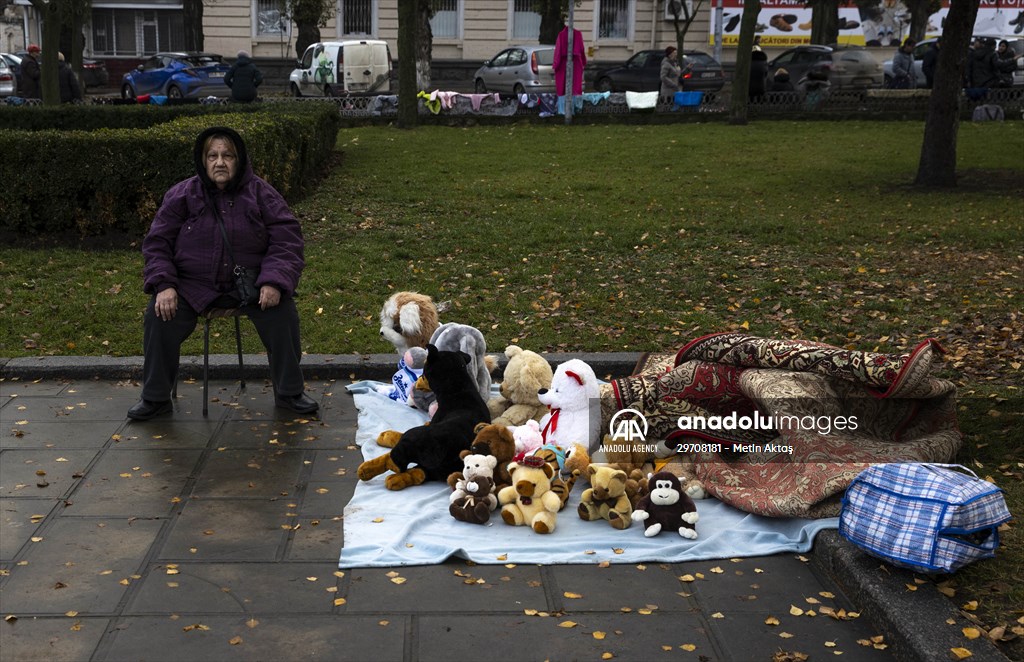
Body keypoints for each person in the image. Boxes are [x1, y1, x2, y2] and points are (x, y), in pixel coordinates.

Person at [128, 126, 318, 420]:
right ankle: (155, 398)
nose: (220, 162)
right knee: (159, 317)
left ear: (239, 159)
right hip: (193, 286)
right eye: (213, 156)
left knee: (283, 314)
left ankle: (290, 393)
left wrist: (274, 281)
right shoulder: (182, 194)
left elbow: (287, 239)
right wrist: (164, 284)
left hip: (250, 284)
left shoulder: (261, 193)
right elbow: (157, 243)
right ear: (203, 161)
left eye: (227, 155)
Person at [553, 20, 586, 98]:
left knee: (563, 88)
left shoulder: (561, 35)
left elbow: (557, 53)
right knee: (575, 87)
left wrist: (555, 65)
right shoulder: (578, 34)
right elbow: (582, 50)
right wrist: (583, 62)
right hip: (576, 64)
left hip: (563, 64)